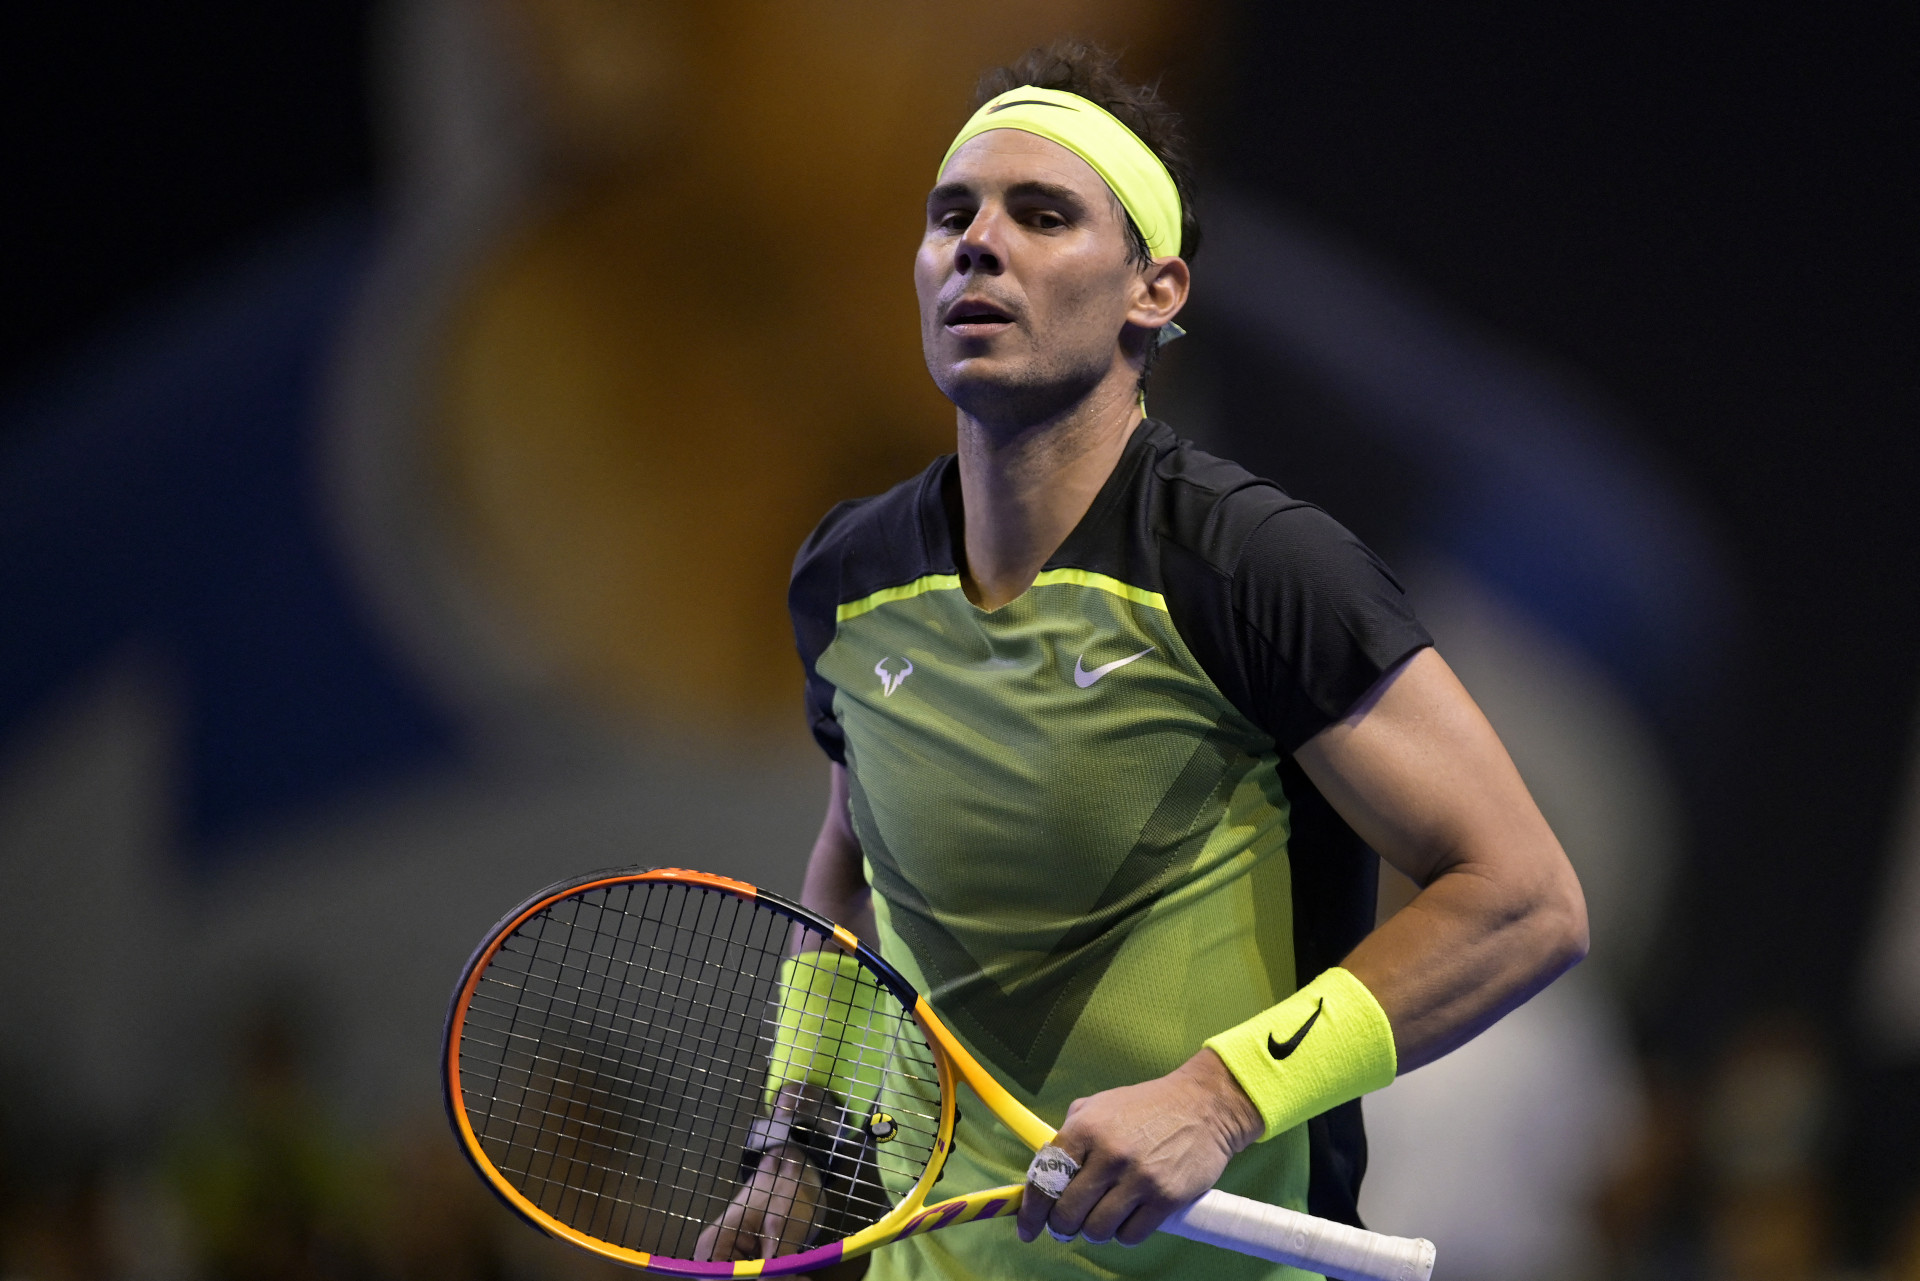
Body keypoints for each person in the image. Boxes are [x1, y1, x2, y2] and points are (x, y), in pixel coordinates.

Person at [700, 41, 1588, 1279]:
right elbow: (855, 873)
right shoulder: (847, 581)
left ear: (1153, 291)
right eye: (951, 214)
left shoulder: (1257, 569)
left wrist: (1217, 1100)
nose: (977, 243)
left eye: (1042, 214)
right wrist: (797, 1133)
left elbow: (1527, 900)